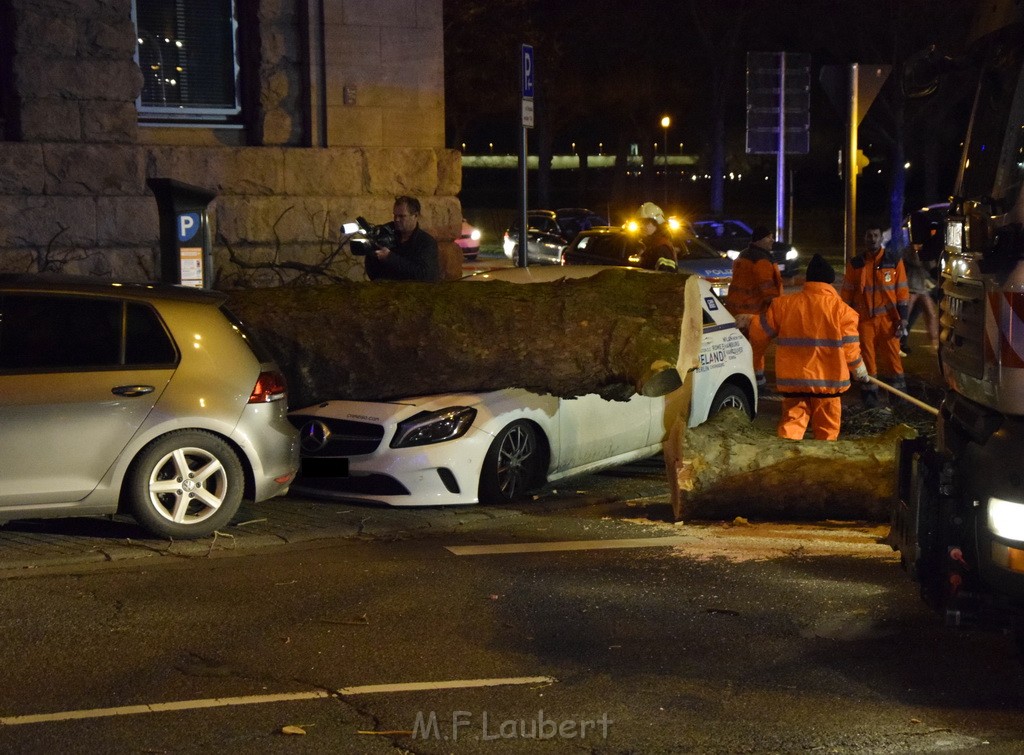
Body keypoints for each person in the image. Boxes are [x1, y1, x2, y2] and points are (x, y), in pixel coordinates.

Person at [749, 254, 868, 440]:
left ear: (808, 280)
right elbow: (850, 349)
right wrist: (859, 369)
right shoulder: (844, 312)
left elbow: (759, 333)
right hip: (828, 385)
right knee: (827, 433)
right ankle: (820, 464)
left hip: (794, 383)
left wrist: (748, 321)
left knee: (790, 428)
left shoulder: (783, 305)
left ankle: (786, 463)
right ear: (829, 282)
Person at [840, 224, 909, 406]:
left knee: (893, 361)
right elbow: (847, 293)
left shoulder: (893, 261)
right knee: (868, 362)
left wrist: (903, 318)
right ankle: (870, 401)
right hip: (864, 322)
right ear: (864, 238)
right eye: (869, 235)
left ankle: (899, 401)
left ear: (881, 238)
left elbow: (902, 292)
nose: (872, 238)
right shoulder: (856, 264)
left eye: (876, 235)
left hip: (888, 320)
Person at [724, 224, 783, 392]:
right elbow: (767, 288)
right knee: (756, 347)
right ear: (760, 240)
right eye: (769, 237)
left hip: (736, 309)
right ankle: (758, 383)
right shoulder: (762, 260)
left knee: (739, 347)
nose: (772, 240)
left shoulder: (743, 255)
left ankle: (740, 379)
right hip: (754, 311)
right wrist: (777, 308)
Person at [364, 195, 440, 282]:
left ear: (415, 216)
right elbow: (373, 271)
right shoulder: (387, 236)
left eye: (402, 216)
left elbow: (425, 274)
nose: (396, 219)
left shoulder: (426, 242)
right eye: (395, 215)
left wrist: (390, 257)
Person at [903, 241, 940, 354]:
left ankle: (934, 343)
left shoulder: (926, 250)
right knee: (905, 316)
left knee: (930, 314)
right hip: (911, 287)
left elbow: (930, 266)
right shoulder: (909, 250)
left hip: (922, 287)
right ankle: (900, 343)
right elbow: (915, 262)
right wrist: (916, 251)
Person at [635, 202, 678, 271]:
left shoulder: (661, 248)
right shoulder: (652, 246)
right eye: (640, 223)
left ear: (657, 224)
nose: (641, 226)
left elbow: (665, 277)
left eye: (645, 222)